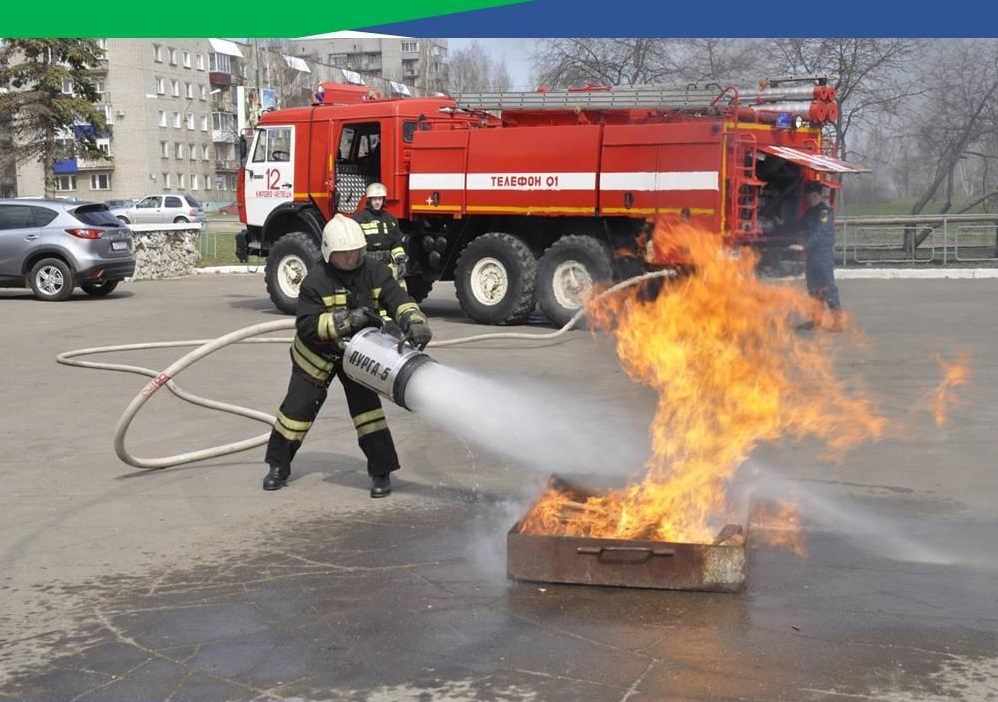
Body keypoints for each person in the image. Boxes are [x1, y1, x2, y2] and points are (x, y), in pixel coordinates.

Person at [262, 214, 432, 497]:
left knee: (368, 414)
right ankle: (278, 467)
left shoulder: (375, 272)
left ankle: (381, 472)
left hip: (358, 355)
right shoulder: (315, 281)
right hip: (316, 357)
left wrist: (414, 321)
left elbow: (398, 299)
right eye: (345, 254)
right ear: (330, 253)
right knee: (295, 412)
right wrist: (344, 321)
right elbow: (306, 326)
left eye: (356, 252)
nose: (352, 258)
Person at [796, 181, 842, 331]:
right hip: (812, 256)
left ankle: (837, 322)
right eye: (810, 197)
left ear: (820, 196)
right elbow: (800, 226)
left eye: (815, 196)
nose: (812, 199)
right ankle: (816, 320)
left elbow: (819, 234)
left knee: (827, 287)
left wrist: (804, 246)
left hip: (823, 256)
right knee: (813, 289)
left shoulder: (824, 213)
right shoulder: (811, 212)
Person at [353, 182, 408, 283]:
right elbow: (354, 245)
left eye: (380, 199)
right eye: (374, 199)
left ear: (384, 200)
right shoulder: (359, 219)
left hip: (387, 266)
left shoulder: (391, 220)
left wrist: (401, 262)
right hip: (366, 266)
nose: (377, 202)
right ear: (369, 200)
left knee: (397, 292)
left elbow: (396, 244)